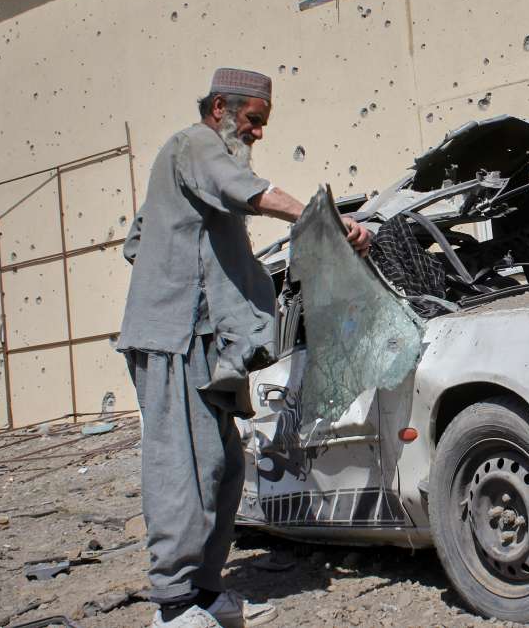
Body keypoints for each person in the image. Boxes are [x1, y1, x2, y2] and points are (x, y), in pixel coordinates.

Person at [116, 68, 370, 628]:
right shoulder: (195, 144)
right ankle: (173, 604)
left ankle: (204, 593)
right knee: (182, 466)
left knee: (223, 466)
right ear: (219, 111)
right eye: (253, 120)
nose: (257, 133)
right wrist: (323, 218)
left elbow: (138, 241)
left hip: (204, 340)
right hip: (170, 340)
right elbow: (248, 192)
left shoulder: (190, 167)